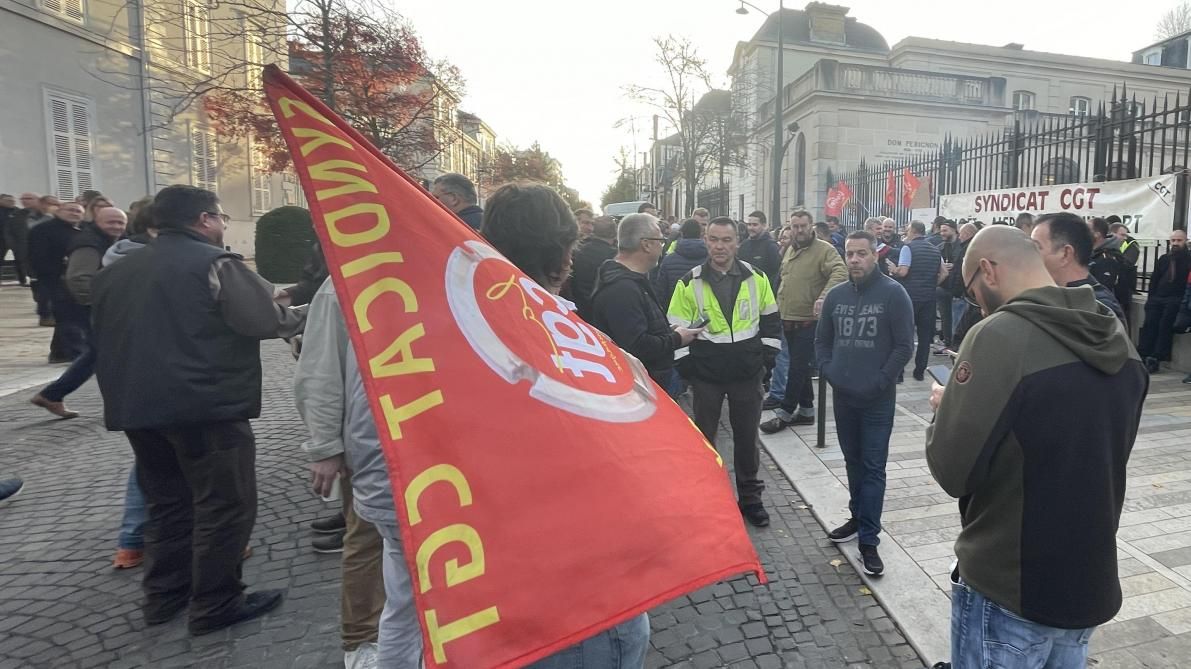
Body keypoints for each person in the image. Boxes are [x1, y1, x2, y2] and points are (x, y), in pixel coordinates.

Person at [925, 225, 1147, 668]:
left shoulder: (998, 336)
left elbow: (952, 470)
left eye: (971, 293)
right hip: (1087, 576)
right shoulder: (1115, 334)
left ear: (987, 271)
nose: (975, 305)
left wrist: (947, 408)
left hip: (1009, 581)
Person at [91, 185, 304, 635]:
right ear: (205, 219)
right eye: (221, 217)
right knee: (224, 504)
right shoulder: (215, 263)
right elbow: (263, 320)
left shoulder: (118, 270)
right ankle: (216, 603)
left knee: (166, 503)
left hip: (137, 406)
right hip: (204, 406)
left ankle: (163, 597)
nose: (224, 224)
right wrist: (310, 315)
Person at [482, 182, 651, 667]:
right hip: (585, 596)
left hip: (505, 589)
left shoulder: (460, 329)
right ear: (564, 254)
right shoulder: (572, 347)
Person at [294, 279, 390, 667]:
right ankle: (361, 642)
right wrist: (325, 447)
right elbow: (320, 368)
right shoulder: (344, 281)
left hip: (433, 436)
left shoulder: (435, 256)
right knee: (367, 536)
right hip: (372, 442)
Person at [668, 216, 782, 528]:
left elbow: (771, 323)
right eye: (714, 239)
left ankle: (750, 499)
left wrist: (765, 364)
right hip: (706, 376)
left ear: (737, 242)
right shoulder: (689, 282)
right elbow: (674, 327)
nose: (720, 246)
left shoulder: (756, 278)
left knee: (747, 440)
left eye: (726, 240)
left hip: (747, 374)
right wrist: (688, 370)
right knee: (705, 441)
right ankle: (711, 500)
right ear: (706, 241)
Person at [817, 230, 913, 576]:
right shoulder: (836, 296)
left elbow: (905, 346)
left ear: (875, 255)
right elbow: (822, 341)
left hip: (876, 400)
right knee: (853, 462)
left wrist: (880, 380)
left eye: (861, 253)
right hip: (844, 397)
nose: (854, 259)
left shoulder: (893, 294)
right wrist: (829, 371)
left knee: (873, 467)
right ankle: (857, 517)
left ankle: (869, 539)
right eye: (850, 253)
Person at [30, 206, 127, 419]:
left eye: (120, 222)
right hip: (82, 306)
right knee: (103, 353)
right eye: (111, 222)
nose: (116, 226)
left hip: (84, 305)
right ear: (97, 221)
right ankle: (54, 395)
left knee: (97, 354)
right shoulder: (89, 243)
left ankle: (52, 395)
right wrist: (96, 306)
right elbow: (79, 279)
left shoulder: (104, 241)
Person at [589, 213, 700, 397]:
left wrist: (666, 329)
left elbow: (638, 327)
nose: (663, 247)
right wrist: (677, 338)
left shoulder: (631, 281)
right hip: (641, 389)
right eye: (661, 241)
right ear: (646, 244)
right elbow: (638, 346)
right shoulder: (622, 289)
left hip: (648, 383)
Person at [761, 210, 847, 433]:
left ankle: (785, 413)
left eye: (803, 226)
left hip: (809, 321)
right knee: (800, 368)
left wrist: (823, 297)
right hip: (787, 318)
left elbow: (840, 272)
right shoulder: (790, 249)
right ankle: (807, 411)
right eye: (795, 226)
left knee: (797, 368)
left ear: (811, 227)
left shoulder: (824, 250)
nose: (799, 230)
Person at [1030, 213, 1126, 324]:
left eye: (1036, 247)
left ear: (1065, 254)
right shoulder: (1056, 296)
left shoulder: (1098, 310)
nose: (1030, 255)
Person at [27, 201, 85, 362]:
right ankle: (74, 352)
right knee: (67, 316)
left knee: (66, 317)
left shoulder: (80, 230)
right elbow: (37, 256)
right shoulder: (43, 230)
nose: (74, 213)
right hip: (54, 279)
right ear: (58, 211)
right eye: (70, 210)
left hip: (70, 279)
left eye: (78, 211)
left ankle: (59, 353)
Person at [888, 221, 944, 382]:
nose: (906, 232)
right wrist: (932, 284)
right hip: (929, 299)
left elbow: (904, 272)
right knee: (925, 338)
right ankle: (919, 372)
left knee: (903, 336)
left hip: (910, 298)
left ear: (913, 231)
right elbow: (944, 273)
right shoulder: (935, 250)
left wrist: (894, 270)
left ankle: (899, 374)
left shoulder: (908, 248)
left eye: (907, 230)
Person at [1138, 229, 1190, 373]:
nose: (1175, 243)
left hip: (1175, 298)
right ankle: (1144, 353)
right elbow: (1154, 279)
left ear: (1185, 241)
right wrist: (1151, 298)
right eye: (1173, 240)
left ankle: (1156, 358)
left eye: (1179, 240)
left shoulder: (1188, 259)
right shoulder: (1164, 258)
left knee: (1164, 326)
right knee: (1149, 324)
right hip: (1158, 297)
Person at [764, 225, 794, 410]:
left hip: (788, 314)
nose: (782, 240)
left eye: (786, 238)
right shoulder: (783, 256)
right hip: (778, 311)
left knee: (782, 355)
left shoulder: (793, 259)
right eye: (781, 237)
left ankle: (778, 393)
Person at [570, 215, 618, 320]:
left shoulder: (578, 251)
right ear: (614, 234)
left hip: (580, 308)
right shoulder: (615, 256)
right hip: (604, 312)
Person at [654, 219, 707, 308]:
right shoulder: (711, 260)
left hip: (676, 310)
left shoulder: (668, 260)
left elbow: (661, 292)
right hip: (706, 310)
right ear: (700, 234)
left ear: (682, 233)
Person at [739, 210, 782, 294]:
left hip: (763, 293)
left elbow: (776, 274)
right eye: (749, 224)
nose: (751, 228)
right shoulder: (744, 245)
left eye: (755, 225)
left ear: (764, 225)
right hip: (744, 292)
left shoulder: (771, 247)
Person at [934, 220, 960, 351]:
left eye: (945, 230)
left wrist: (955, 266)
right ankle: (948, 342)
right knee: (945, 317)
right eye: (941, 230)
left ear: (954, 230)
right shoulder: (940, 247)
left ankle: (955, 343)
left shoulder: (961, 246)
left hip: (957, 289)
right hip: (943, 287)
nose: (941, 233)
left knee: (958, 317)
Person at [1109, 222, 1139, 326]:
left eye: (1126, 235)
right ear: (1112, 233)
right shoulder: (1102, 250)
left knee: (1123, 322)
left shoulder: (1131, 244)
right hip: (1111, 292)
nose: (1125, 238)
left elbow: (1128, 264)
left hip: (1123, 291)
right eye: (1122, 235)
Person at [1088, 217, 1125, 295]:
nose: (1084, 232)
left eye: (1087, 229)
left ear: (1097, 234)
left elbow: (1103, 289)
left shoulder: (1107, 259)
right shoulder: (1091, 253)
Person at [0, 194, 27, 286]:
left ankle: (23, 280)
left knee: (20, 259)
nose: (11, 202)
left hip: (16, 239)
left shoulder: (18, 211)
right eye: (8, 201)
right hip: (1, 240)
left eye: (12, 201)